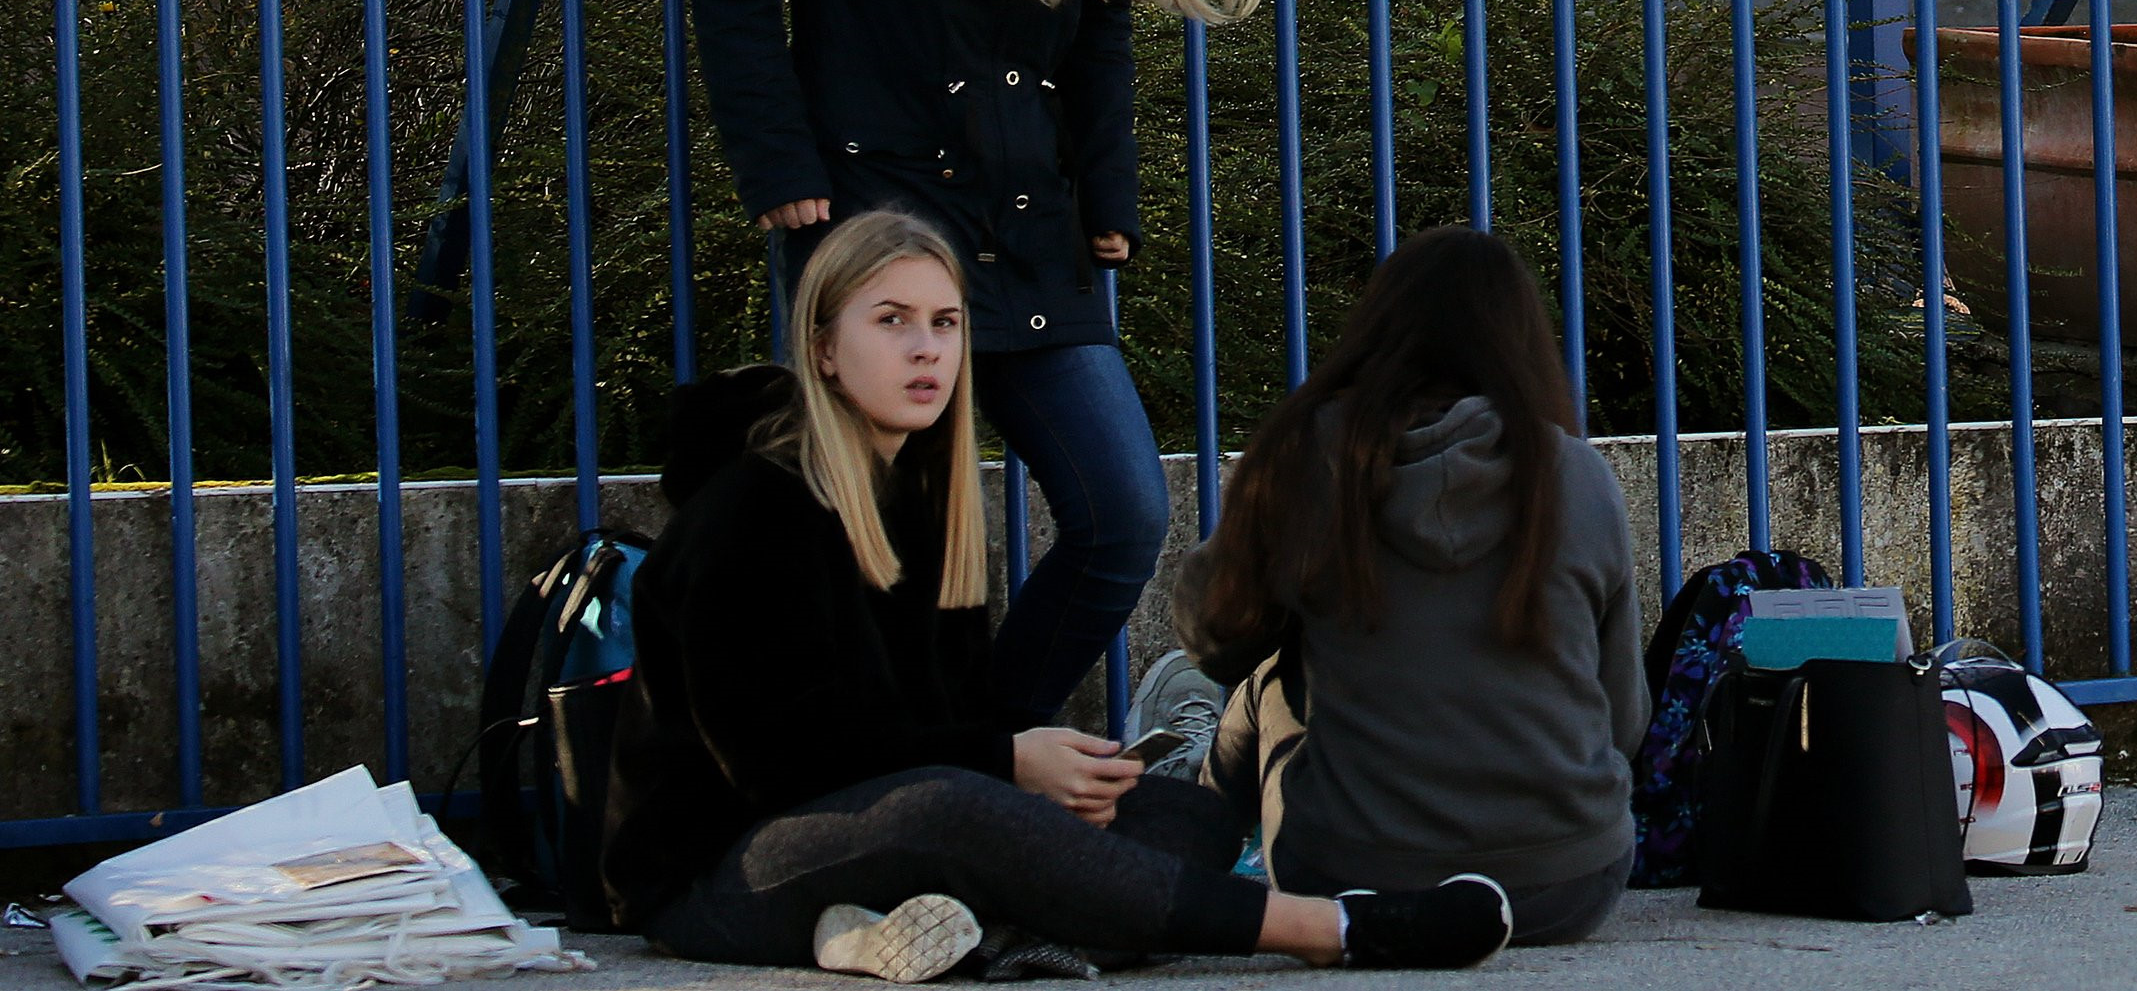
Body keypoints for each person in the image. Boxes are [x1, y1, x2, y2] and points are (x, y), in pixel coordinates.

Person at [602, 210, 1515, 978]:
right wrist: (1006, 762)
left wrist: (1060, 776)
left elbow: (950, 716)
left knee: (1181, 814)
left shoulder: (924, 503)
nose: (927, 349)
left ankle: (928, 935)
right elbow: (779, 763)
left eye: (947, 322)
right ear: (824, 349)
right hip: (722, 868)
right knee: (963, 813)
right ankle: (1337, 929)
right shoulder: (754, 506)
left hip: (880, 834)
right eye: (891, 321)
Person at [688, 0, 1260, 729]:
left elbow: (1102, 28)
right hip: (876, 231)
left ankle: (977, 750)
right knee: (884, 538)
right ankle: (902, 779)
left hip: (1029, 236)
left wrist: (1110, 197)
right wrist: (779, 161)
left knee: (1122, 512)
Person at [1162, 226, 1647, 946]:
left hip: (1349, 878)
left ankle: (1176, 869)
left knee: (1266, 680)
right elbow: (1623, 719)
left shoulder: (1310, 454)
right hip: (1566, 885)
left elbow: (1210, 635)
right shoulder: (1575, 474)